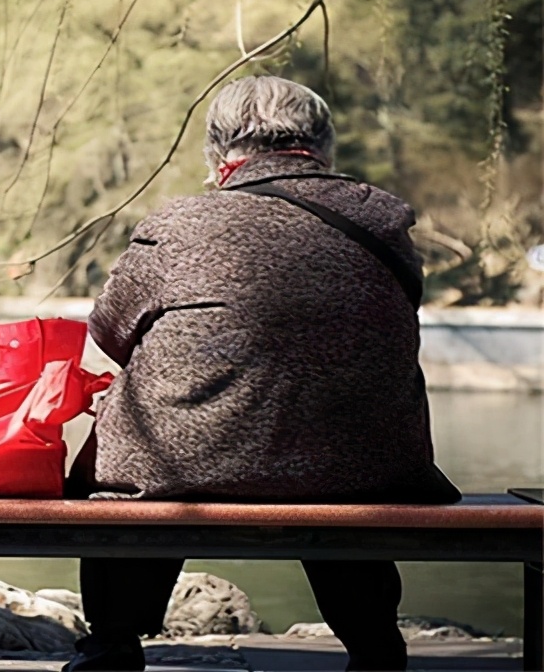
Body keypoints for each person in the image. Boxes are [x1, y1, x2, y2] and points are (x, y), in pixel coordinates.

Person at [65, 75, 460, 672]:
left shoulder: (179, 226)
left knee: (134, 468)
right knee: (340, 456)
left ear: (218, 149)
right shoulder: (384, 225)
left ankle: (114, 639)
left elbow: (111, 334)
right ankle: (374, 640)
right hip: (365, 467)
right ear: (324, 144)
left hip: (183, 466)